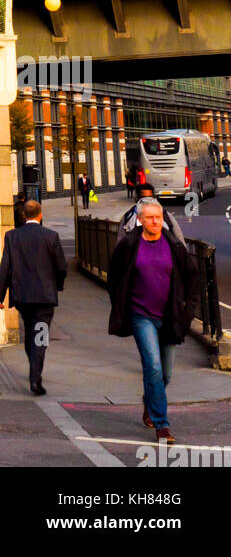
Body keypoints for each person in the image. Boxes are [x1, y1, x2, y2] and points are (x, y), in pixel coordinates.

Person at [108, 197, 198, 443]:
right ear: (140, 219)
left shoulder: (174, 246)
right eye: (149, 217)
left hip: (169, 318)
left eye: (158, 217)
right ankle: (162, 425)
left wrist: (188, 311)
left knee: (165, 375)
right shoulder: (128, 245)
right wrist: (119, 305)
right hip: (141, 316)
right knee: (154, 368)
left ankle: (150, 402)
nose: (155, 221)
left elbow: (193, 280)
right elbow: (114, 278)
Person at [0, 199, 67, 395]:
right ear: (40, 214)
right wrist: (58, 285)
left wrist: (0, 294)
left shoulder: (12, 236)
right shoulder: (51, 236)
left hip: (23, 296)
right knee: (41, 337)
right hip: (44, 297)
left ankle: (33, 368)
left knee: (29, 331)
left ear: (23, 215)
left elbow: (5, 267)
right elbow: (61, 266)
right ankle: (35, 378)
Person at [117, 182, 186, 245]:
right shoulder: (128, 218)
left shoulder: (165, 215)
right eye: (143, 198)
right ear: (137, 199)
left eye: (150, 198)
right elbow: (120, 242)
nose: (147, 201)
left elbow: (179, 237)